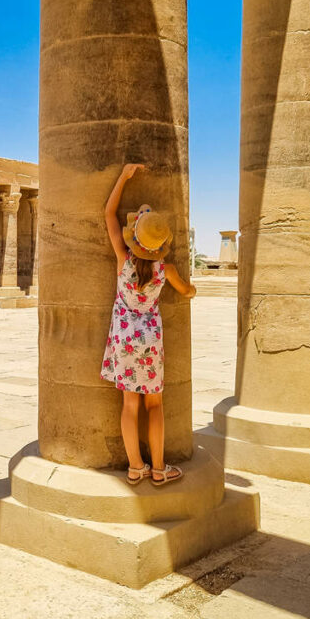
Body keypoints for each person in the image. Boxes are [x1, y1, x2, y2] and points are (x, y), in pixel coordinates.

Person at [101, 163, 196, 487]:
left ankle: (135, 467)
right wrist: (191, 289)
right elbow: (186, 291)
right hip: (151, 340)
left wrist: (123, 176)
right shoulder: (164, 270)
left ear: (135, 237)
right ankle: (159, 469)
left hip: (124, 338)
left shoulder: (122, 259)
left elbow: (109, 213)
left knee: (130, 405)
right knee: (154, 404)